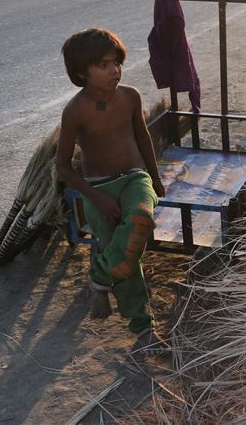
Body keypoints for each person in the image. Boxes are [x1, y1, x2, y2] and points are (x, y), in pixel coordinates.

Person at [55, 28, 167, 353]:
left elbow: (144, 138)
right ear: (81, 73)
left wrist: (155, 178)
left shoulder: (130, 96)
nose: (114, 70)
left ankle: (98, 277)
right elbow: (63, 166)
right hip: (98, 189)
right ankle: (144, 330)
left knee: (140, 221)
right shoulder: (75, 110)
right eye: (103, 65)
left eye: (116, 62)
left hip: (135, 178)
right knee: (127, 259)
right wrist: (97, 198)